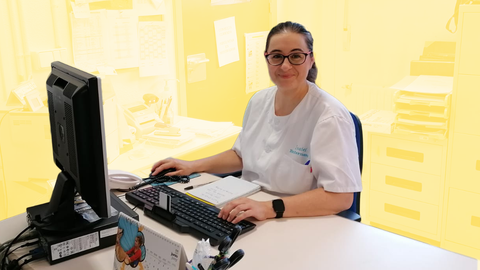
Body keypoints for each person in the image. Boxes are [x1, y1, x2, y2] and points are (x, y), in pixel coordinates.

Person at [151, 21, 362, 224]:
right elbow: (242, 154)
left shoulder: (329, 116)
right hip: (247, 208)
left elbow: (340, 197)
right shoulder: (259, 101)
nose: (285, 65)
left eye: (296, 56)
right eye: (277, 56)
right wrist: (192, 165)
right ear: (267, 58)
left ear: (311, 59)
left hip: (296, 218)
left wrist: (269, 208)